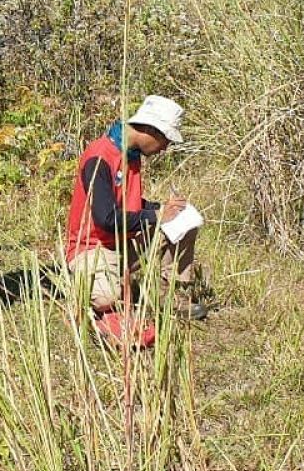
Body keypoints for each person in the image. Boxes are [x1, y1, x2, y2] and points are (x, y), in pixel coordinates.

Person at [66, 95, 207, 346]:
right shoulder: (99, 155)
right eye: (165, 139)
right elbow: (106, 218)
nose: (165, 147)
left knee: (185, 224)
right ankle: (89, 297)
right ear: (150, 130)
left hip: (124, 243)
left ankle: (172, 297)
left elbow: (127, 205)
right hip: (91, 248)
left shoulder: (131, 155)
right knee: (106, 296)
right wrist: (155, 215)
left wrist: (163, 209)